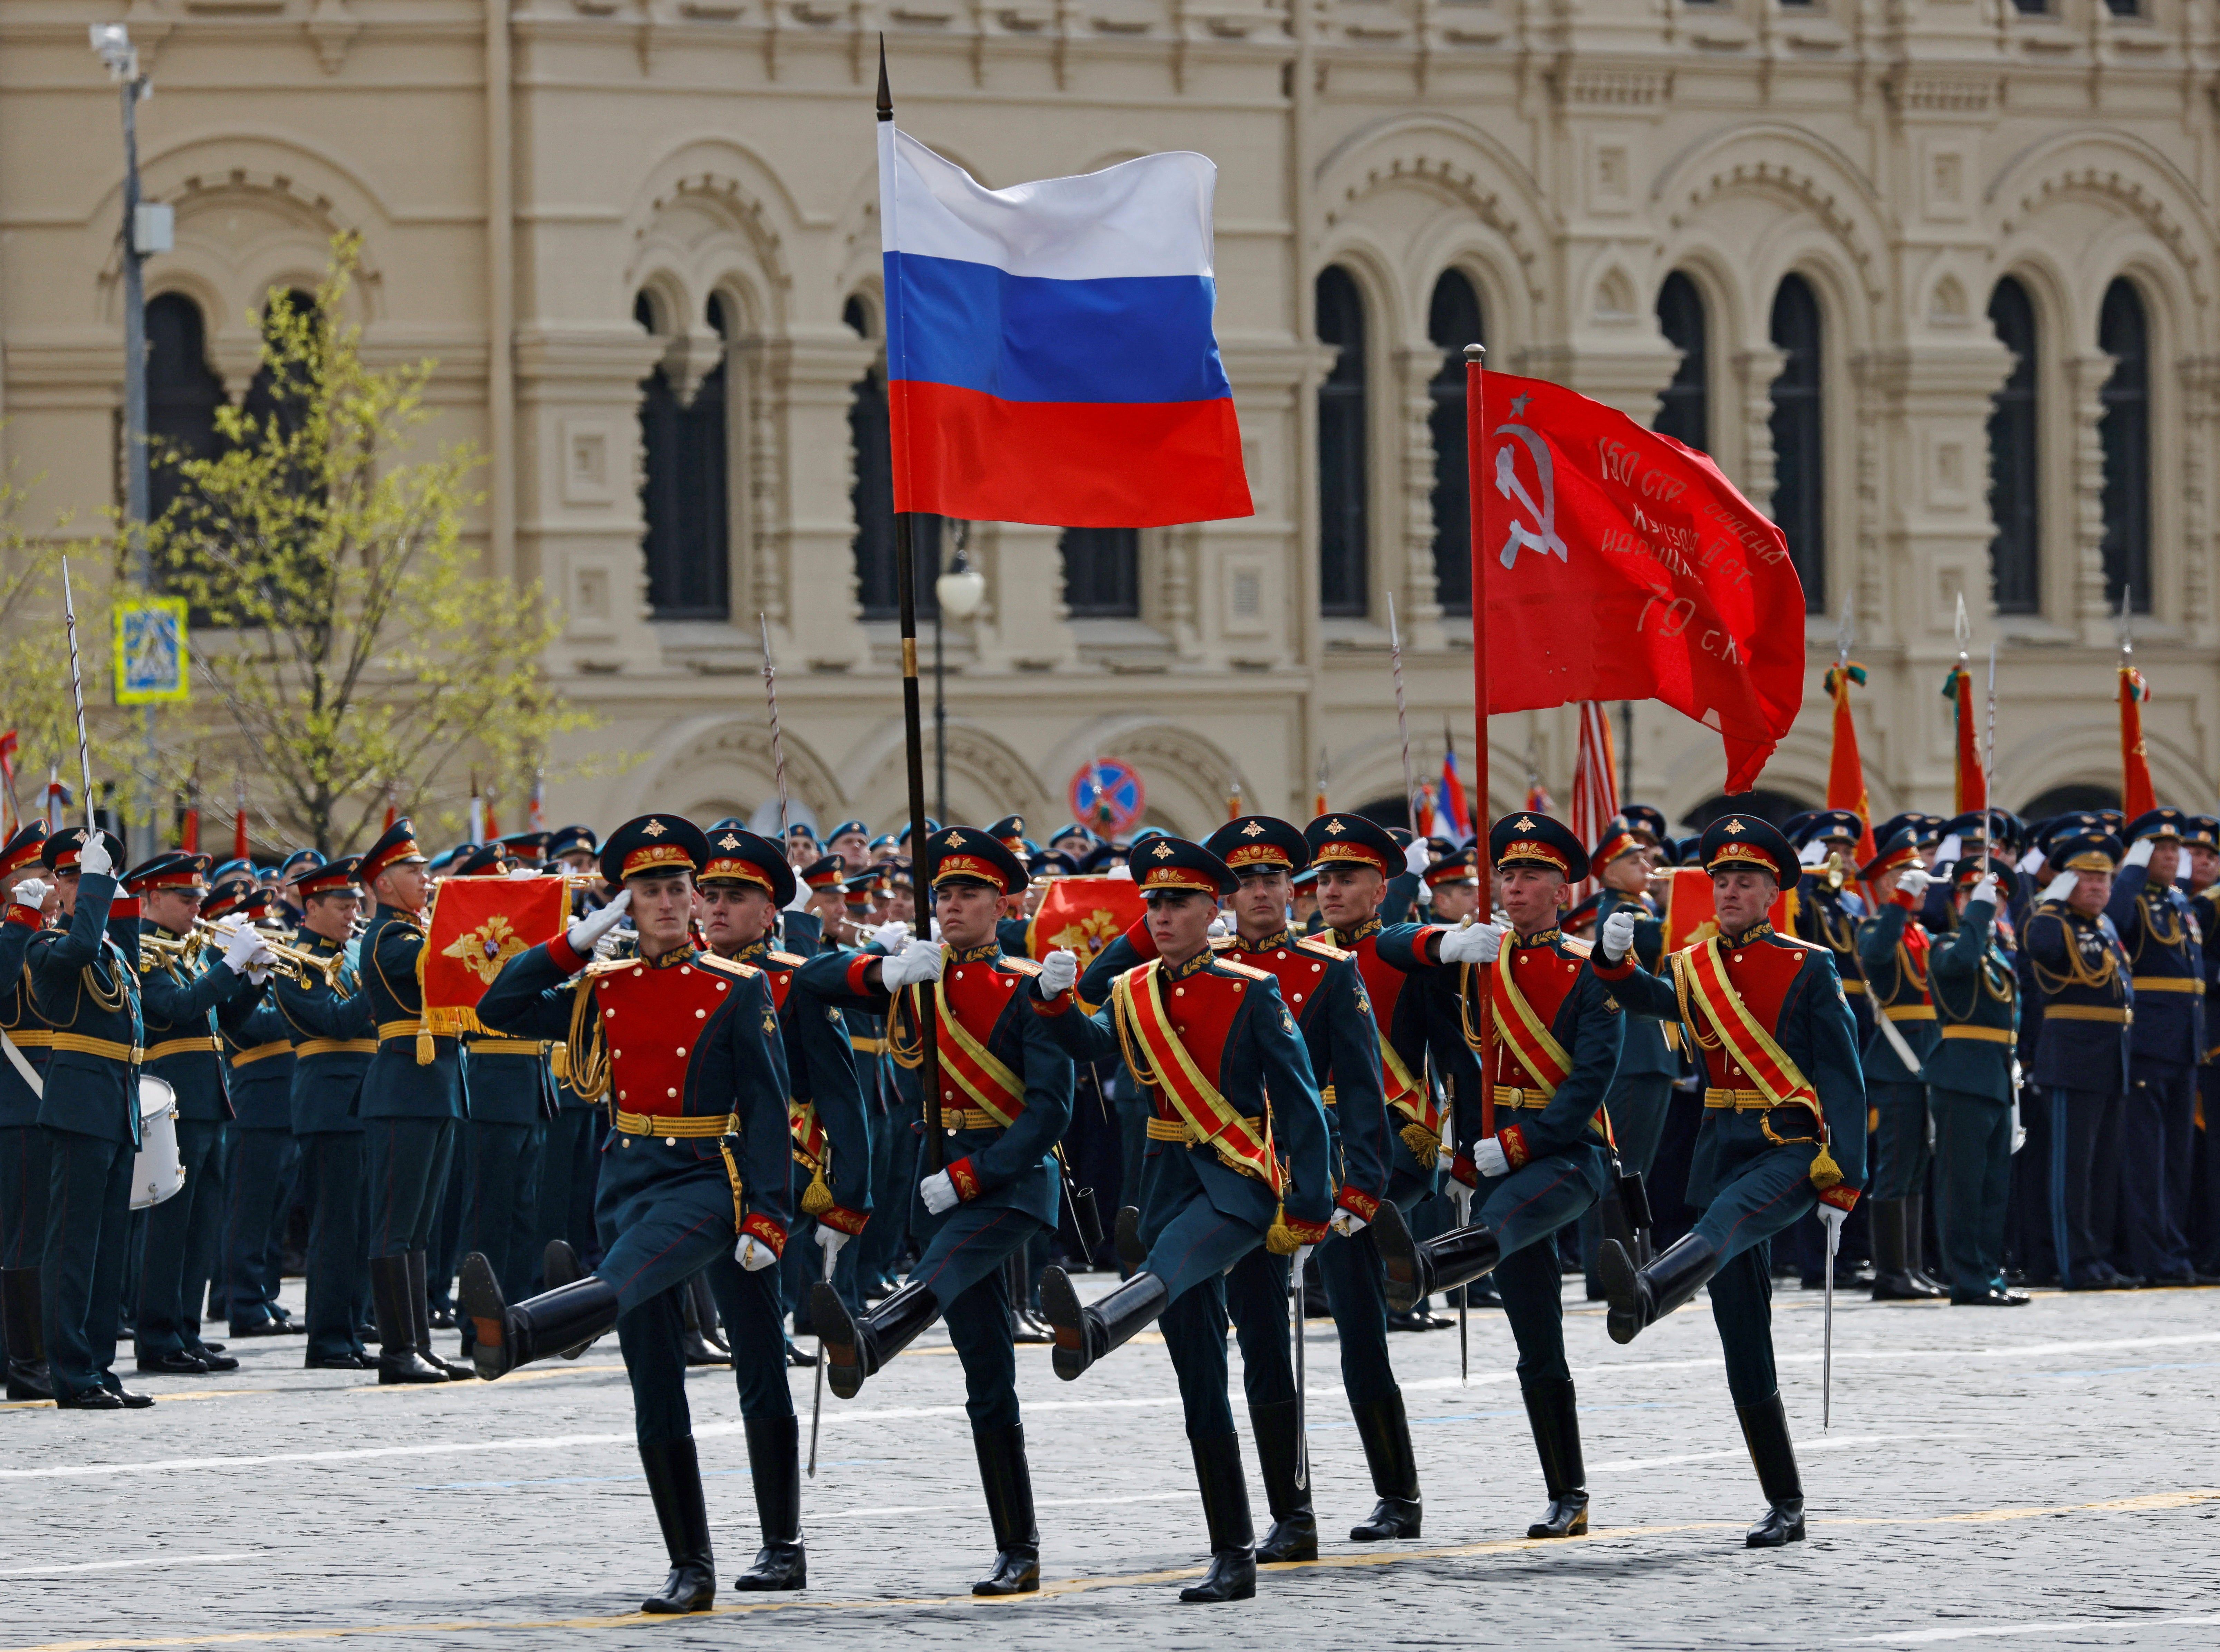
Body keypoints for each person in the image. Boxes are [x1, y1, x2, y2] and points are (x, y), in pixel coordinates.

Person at [462, 813, 795, 1615]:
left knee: (746, 1354)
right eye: (650, 891)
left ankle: (782, 1539)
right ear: (627, 903)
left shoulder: (736, 986)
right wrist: (573, 942)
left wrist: (770, 1216)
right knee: (652, 1379)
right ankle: (690, 1564)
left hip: (710, 1178)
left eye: (680, 888)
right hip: (631, 1175)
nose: (673, 902)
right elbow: (497, 1005)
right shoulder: (600, 987)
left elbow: (769, 1104)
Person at [1030, 834, 1333, 1605]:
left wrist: (1309, 1204)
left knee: (1171, 1263)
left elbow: (1299, 1103)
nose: (1161, 915)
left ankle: (1098, 1327)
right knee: (1200, 1380)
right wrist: (1055, 1000)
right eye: (1153, 903)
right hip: (1165, 1176)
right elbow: (1094, 1043)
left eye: (1177, 903)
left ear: (1213, 908)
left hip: (1237, 1182)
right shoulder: (1131, 989)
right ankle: (1231, 1550)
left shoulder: (1252, 989)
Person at [806, 824, 1074, 1598]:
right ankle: (1016, 1547)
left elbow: (1049, 1113)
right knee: (987, 1376)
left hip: (1008, 1183)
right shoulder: (914, 975)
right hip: (937, 1182)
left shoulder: (1030, 985)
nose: (952, 905)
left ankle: (871, 1336)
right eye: (943, 894)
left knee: (943, 1267)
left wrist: (972, 1176)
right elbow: (812, 983)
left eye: (969, 894)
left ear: (1004, 904)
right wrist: (880, 966)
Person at [1590, 814, 1867, 1548]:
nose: (1729, 889)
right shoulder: (1692, 963)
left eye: (1744, 879)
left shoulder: (1807, 964)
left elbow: (1841, 1072)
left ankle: (1647, 1290)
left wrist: (1846, 1177)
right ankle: (1785, 1500)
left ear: (1772, 891)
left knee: (1730, 1217)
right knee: (1742, 1334)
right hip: (1722, 1146)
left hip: (1789, 1150)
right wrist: (1613, 964)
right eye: (1719, 879)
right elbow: (1650, 1002)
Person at [1372, 812, 1623, 1542]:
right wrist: (1443, 938)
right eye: (1505, 874)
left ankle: (1419, 1267)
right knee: (1535, 1336)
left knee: (1504, 1220)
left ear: (1560, 885)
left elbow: (1589, 1083)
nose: (1514, 886)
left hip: (1563, 1153)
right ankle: (1567, 1491)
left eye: (1530, 875)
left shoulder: (1586, 967)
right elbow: (1385, 945)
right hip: (1490, 1154)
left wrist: (1517, 1142)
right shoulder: (1473, 955)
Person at [692, 823, 872, 1591]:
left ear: (771, 911)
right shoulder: (678, 974)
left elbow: (841, 1094)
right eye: (712, 894)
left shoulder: (797, 980)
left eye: (738, 896)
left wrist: (847, 1201)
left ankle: (780, 1540)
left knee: (759, 1357)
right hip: (683, 1177)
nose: (718, 907)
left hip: (768, 1186)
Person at [129, 851, 272, 1375]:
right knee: (170, 1224)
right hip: (172, 1099)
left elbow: (224, 1022)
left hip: (208, 1097)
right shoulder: (142, 950)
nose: (196, 907)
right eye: (185, 898)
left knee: (201, 1224)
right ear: (151, 898)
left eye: (197, 897)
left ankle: (185, 1329)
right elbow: (177, 1008)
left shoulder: (186, 951)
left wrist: (253, 980)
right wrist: (228, 965)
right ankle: (157, 1335)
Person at [27, 827, 155, 1408]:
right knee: (73, 1249)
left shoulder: (116, 954)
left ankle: (100, 1367)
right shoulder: (47, 948)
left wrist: (113, 881)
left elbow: (112, 932)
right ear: (57, 886)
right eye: (73, 877)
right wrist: (100, 884)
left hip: (117, 1102)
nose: (85, 888)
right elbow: (80, 946)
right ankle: (72, 1373)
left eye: (91, 876)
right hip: (79, 1107)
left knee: (108, 1253)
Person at [355, 819, 472, 1382]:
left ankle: (419, 1344)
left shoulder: (415, 931)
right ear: (381, 884)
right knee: (394, 1225)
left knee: (419, 1228)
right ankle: (397, 1351)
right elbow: (449, 961)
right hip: (404, 1088)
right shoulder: (388, 939)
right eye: (412, 870)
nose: (426, 879)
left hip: (435, 1088)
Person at [272, 856, 380, 1370]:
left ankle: (354, 1326)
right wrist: (377, 984)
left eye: (356, 903)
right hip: (329, 1103)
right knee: (335, 1228)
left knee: (361, 1226)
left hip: (370, 1098)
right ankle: (329, 1338)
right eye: (342, 905)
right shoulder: (294, 961)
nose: (352, 913)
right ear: (310, 907)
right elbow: (335, 1022)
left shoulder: (356, 954)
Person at [2023, 827, 2136, 1289]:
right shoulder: (2052, 922)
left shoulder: (2101, 929)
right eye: (2085, 878)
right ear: (2066, 883)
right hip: (2071, 1060)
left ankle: (2098, 1257)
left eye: (2104, 878)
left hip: (2110, 1060)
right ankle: (2075, 1262)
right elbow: (2043, 946)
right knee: (2072, 1171)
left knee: (2102, 1170)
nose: (2098, 886)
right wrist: (2053, 900)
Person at [2108, 809, 2203, 1286]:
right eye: (2160, 848)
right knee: (2148, 1160)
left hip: (2184, 1046)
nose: (2171, 855)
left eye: (2174, 848)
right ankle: (2152, 1256)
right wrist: (2130, 868)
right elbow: (2114, 921)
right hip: (2147, 1043)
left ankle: (2174, 1250)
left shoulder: (2178, 902)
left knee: (2177, 1162)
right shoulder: (2135, 897)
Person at [1926, 858, 2027, 1306]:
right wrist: (1976, 917)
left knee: (1992, 1187)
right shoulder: (1946, 945)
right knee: (1961, 1186)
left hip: (1995, 1075)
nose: (1988, 903)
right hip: (1961, 1075)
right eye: (1972, 894)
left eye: (1994, 897)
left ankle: (1987, 1273)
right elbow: (1959, 964)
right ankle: (1965, 1278)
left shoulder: (1997, 953)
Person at [211, 881, 305, 1339]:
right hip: (255, 1101)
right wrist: (305, 1010)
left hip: (283, 1102)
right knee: (247, 1214)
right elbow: (251, 1028)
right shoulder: (228, 978)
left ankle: (264, 1295)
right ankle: (242, 1303)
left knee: (273, 1214)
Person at [1854, 825, 1944, 1301]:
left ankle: (1911, 1265)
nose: (1922, 883)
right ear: (1888, 881)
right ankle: (1890, 1271)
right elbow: (1872, 955)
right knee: (1894, 1166)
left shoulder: (1922, 933)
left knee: (1914, 1165)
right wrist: (1895, 905)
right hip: (1895, 1060)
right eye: (1910, 876)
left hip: (1925, 1057)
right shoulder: (1877, 926)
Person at [1, 822, 55, 1398]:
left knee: (33, 1234)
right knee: (23, 1237)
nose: (50, 885)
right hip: (17, 1099)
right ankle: (26, 1365)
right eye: (41, 875)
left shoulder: (48, 936)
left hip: (45, 1099)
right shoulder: (12, 932)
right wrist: (19, 920)